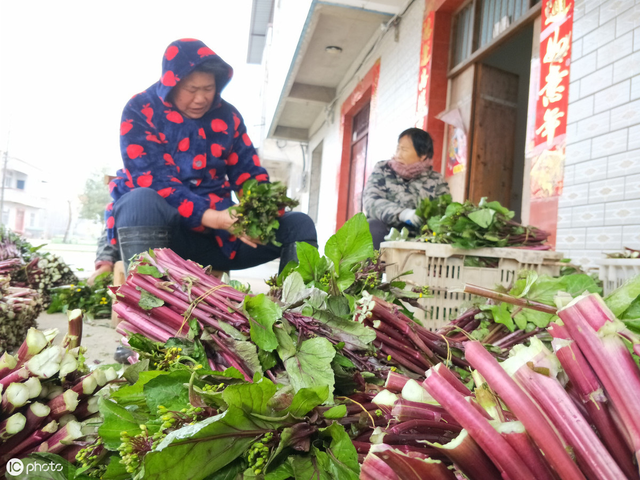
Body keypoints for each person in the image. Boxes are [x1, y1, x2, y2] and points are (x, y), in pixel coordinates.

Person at [90, 38, 316, 284]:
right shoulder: (141, 108)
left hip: (216, 242)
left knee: (299, 224)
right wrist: (216, 217)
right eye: (191, 89)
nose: (200, 99)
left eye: (208, 89)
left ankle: (295, 312)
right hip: (162, 237)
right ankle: (149, 307)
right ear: (171, 84)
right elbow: (156, 181)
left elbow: (248, 173)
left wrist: (260, 216)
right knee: (140, 199)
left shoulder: (228, 117)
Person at [363, 128, 450, 250]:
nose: (398, 153)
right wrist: (403, 214)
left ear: (423, 155)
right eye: (398, 148)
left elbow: (444, 212)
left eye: (404, 150)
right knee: (372, 227)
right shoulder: (383, 169)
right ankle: (372, 268)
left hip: (420, 239)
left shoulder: (436, 180)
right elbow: (371, 202)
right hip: (386, 234)